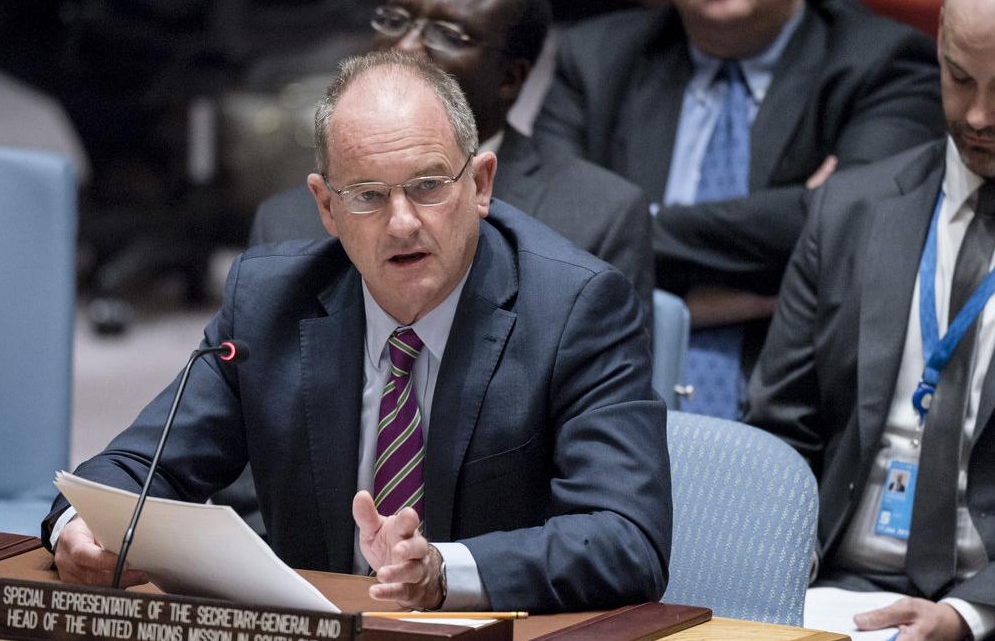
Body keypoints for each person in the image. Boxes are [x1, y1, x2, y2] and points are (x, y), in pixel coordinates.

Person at [44, 51, 671, 613]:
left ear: (480, 184)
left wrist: (444, 572)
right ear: (327, 206)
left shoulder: (575, 309)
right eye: (368, 196)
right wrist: (79, 524)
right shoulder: (269, 302)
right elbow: (139, 465)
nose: (402, 224)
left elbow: (627, 538)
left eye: (428, 187)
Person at [746, 0, 995, 637]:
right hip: (830, 598)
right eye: (958, 76)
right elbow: (779, 431)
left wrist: (969, 615)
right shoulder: (850, 211)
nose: (977, 114)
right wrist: (779, 570)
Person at [534, 0, 944, 419]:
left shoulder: (886, 64)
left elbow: (854, 235)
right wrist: (686, 309)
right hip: (601, 411)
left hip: (795, 422)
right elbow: (548, 240)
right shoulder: (595, 59)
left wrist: (624, 236)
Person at [250, 0, 654, 304]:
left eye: (447, 35)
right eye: (395, 20)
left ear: (510, 78)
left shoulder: (596, 220)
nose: (406, 47)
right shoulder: (287, 226)